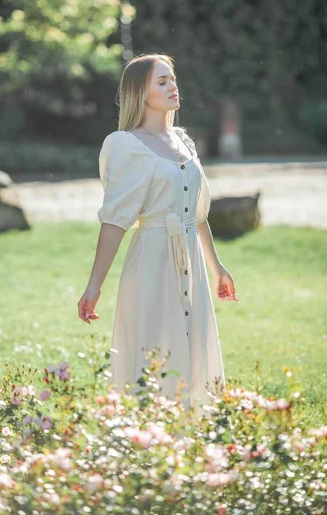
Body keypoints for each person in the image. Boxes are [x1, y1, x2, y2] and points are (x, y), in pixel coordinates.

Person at [77, 53, 239, 415]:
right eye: (161, 81)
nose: (172, 86)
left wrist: (217, 268)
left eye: (173, 78)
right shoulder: (125, 145)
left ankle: (195, 433)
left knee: (193, 341)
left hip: (191, 262)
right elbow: (116, 221)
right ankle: (149, 436)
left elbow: (196, 214)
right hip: (151, 260)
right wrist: (94, 285)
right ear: (140, 92)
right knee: (156, 345)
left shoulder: (184, 142)